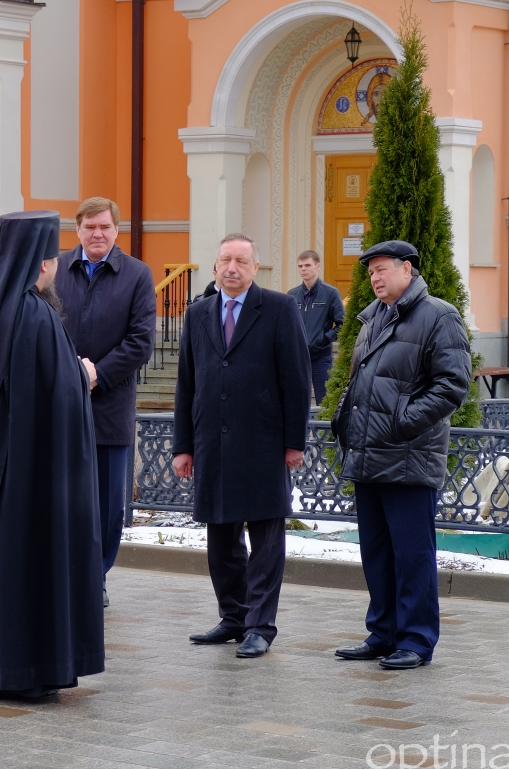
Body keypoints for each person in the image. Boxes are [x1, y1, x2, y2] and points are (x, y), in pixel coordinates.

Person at [0, 210, 104, 698]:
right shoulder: (34, 313)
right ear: (44, 263)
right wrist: (84, 375)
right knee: (23, 565)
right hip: (24, 481)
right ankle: (25, 668)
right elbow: (53, 397)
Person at [332, 240, 471, 670]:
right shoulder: (372, 316)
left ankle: (416, 639)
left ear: (407, 270)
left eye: (382, 269)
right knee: (376, 552)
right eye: (370, 271)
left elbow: (452, 385)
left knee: (411, 555)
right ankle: (384, 633)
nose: (374, 277)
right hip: (369, 454)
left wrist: (401, 422)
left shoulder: (439, 315)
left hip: (408, 457)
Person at [172, 233, 309, 659]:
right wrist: (183, 445)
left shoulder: (279, 308)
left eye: (241, 261)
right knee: (221, 541)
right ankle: (233, 617)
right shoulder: (197, 313)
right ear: (214, 268)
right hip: (213, 442)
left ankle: (259, 626)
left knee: (266, 541)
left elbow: (296, 379)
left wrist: (294, 442)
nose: (232, 268)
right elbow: (186, 384)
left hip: (264, 443)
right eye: (225, 260)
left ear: (255, 269)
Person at [55, 198, 155, 609]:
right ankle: (62, 572)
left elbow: (141, 340)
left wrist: (97, 373)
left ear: (117, 231)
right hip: (58, 400)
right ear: (77, 229)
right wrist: (66, 369)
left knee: (109, 505)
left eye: (105, 227)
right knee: (61, 496)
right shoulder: (55, 267)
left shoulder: (136, 274)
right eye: (90, 226)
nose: (98, 234)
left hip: (110, 405)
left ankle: (95, 576)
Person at [287, 250, 344, 405]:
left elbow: (342, 324)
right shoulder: (292, 295)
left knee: (323, 402)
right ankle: (302, 430)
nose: (303, 269)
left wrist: (323, 340)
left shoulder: (331, 293)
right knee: (296, 402)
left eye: (307, 265)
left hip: (321, 358)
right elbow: (286, 325)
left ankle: (322, 430)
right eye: (300, 266)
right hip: (298, 359)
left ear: (317, 266)